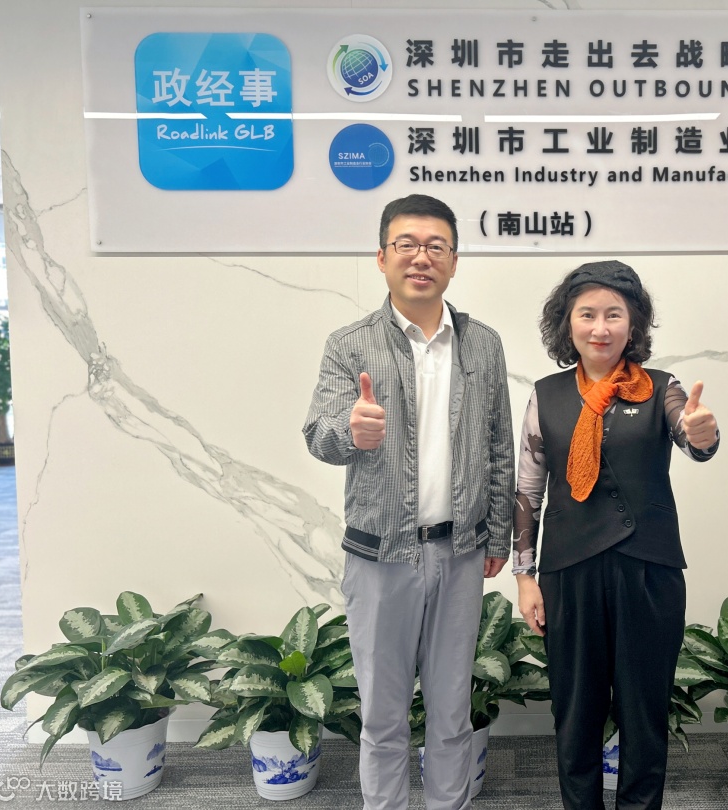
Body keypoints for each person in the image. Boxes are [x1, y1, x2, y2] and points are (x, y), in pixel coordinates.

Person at [303, 194, 514, 810]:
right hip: (379, 558)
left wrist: (497, 536)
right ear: (382, 257)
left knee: (451, 711)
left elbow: (500, 444)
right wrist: (352, 431)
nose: (421, 257)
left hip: (461, 552)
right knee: (382, 713)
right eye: (407, 245)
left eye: (436, 246)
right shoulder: (349, 345)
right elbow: (318, 435)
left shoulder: (483, 344)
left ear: (454, 261)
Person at [513, 260, 719, 810]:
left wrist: (702, 433)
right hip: (568, 573)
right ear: (568, 323)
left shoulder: (662, 389)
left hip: (648, 570)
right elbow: (528, 491)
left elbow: (690, 433)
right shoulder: (545, 395)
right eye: (587, 315)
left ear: (633, 325)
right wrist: (525, 578)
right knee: (575, 712)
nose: (600, 327)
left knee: (644, 712)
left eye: (613, 315)